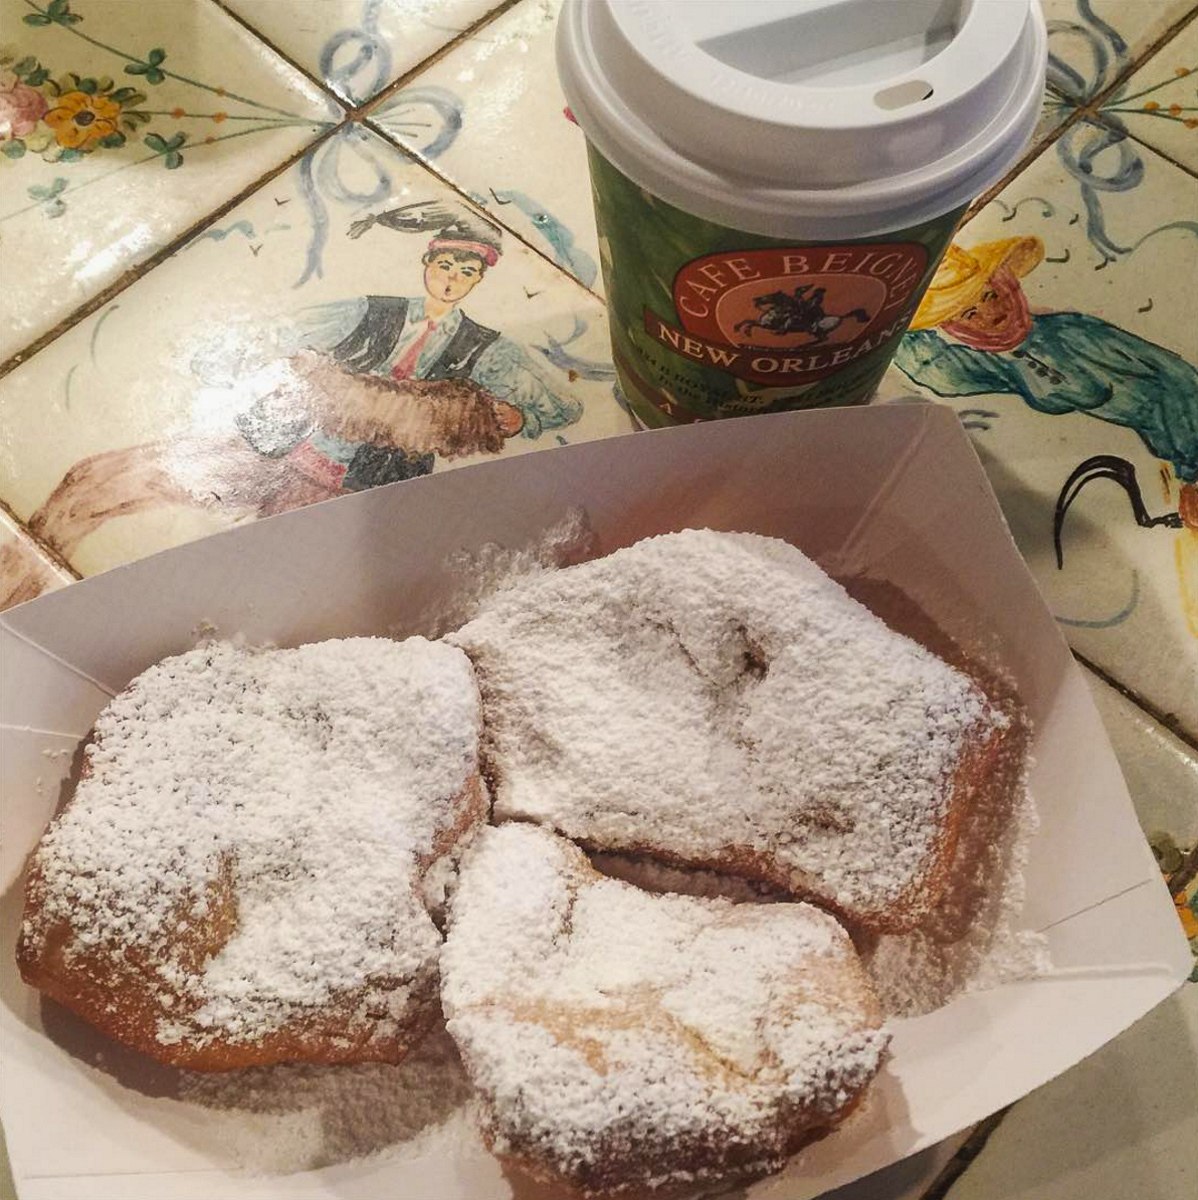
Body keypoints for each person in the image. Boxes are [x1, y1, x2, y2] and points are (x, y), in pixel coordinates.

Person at [894, 236, 1197, 631]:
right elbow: (942, 373)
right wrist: (896, 322)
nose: (990, 313)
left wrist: (1194, 470)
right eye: (967, 312)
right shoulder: (1003, 361)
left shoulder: (1071, 334)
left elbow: (1176, 384)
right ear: (951, 326)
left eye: (989, 295)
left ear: (1007, 284)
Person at [236, 204, 583, 495]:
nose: (452, 280)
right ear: (427, 263)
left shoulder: (484, 345)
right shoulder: (372, 311)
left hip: (384, 480)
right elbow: (283, 330)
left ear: (478, 279)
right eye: (445, 266)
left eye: (467, 272)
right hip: (306, 454)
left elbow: (563, 408)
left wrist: (521, 419)